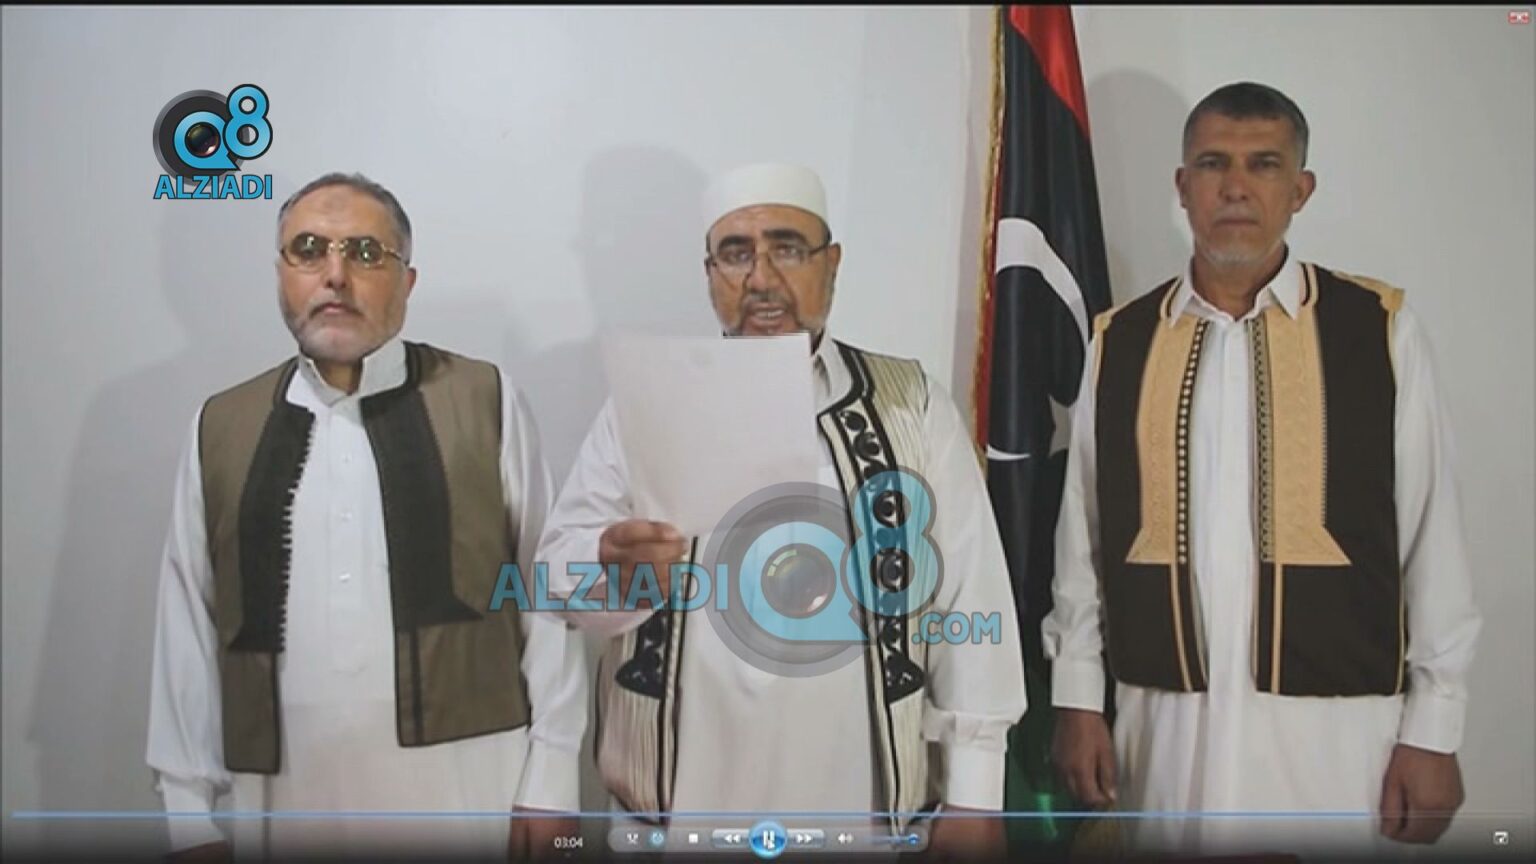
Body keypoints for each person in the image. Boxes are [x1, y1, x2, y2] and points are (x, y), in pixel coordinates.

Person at [535, 163, 1028, 860]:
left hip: (862, 812)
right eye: (736, 253)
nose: (761, 278)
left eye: (788, 248)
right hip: (679, 809)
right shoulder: (646, 404)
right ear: (710, 274)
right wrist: (608, 566)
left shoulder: (910, 402)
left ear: (832, 263)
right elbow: (557, 577)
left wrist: (976, 790)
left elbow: (971, 597)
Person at [1043, 82, 1482, 858]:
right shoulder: (1123, 340)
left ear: (1300, 189)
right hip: (1166, 729)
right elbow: (1084, 535)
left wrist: (1435, 728)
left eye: (1264, 164)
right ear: (1183, 186)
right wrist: (1078, 698)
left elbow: (1431, 534)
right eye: (1213, 164)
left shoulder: (1378, 331)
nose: (1236, 186)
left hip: (1337, 739)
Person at [146, 172, 586, 861]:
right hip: (283, 800)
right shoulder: (222, 425)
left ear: (407, 282)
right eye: (309, 250)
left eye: (365, 252)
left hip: (473, 792)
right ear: (280, 274)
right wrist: (187, 815)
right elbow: (188, 623)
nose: (335, 275)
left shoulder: (485, 398)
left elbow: (544, 591)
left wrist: (553, 779)